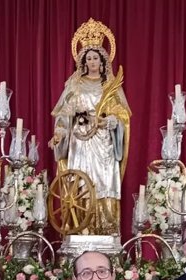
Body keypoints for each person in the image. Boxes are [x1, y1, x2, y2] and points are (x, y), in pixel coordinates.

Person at [50, 18, 131, 235]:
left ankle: (106, 233)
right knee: (80, 185)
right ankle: (80, 230)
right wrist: (59, 133)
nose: (92, 61)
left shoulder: (110, 86)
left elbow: (122, 115)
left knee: (103, 184)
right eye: (89, 58)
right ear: (83, 61)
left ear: (103, 61)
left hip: (104, 142)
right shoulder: (74, 83)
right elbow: (64, 113)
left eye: (96, 57)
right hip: (80, 141)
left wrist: (109, 121)